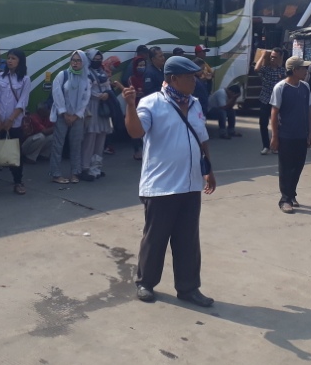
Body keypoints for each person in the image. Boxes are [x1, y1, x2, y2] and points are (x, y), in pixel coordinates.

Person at [123, 55, 216, 307]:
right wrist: (130, 106)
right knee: (156, 238)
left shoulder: (194, 103)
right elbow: (135, 131)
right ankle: (145, 283)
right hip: (161, 186)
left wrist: (208, 169)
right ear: (174, 79)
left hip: (191, 183)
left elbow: (202, 137)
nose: (195, 81)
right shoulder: (151, 103)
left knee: (188, 240)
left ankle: (188, 288)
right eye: (190, 77)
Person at [270, 57, 311, 213]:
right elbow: (274, 113)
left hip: (301, 134)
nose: (306, 71)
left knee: (298, 166)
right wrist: (275, 136)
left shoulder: (305, 87)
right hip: (286, 135)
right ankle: (285, 199)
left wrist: (310, 132)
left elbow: (308, 110)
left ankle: (291, 193)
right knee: (286, 168)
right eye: (303, 68)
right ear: (295, 70)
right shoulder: (280, 87)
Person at [0, 48, 32, 195]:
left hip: (14, 124)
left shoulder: (25, 79)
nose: (10, 61)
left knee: (15, 154)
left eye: (13, 58)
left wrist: (10, 120)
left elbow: (22, 102)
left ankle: (18, 182)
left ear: (20, 61)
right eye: (8, 58)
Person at [49, 49, 91, 184]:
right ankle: (56, 174)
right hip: (62, 115)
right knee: (58, 145)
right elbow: (57, 94)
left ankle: (75, 173)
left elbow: (85, 99)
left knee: (76, 145)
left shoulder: (86, 79)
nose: (75, 63)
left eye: (79, 61)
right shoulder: (63, 75)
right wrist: (64, 113)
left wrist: (76, 115)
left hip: (77, 117)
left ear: (83, 62)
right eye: (73, 60)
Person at [80, 49, 115, 181]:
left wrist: (107, 94)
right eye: (95, 59)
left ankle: (96, 168)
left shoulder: (103, 72)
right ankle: (85, 167)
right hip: (92, 107)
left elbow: (108, 87)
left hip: (103, 108)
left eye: (99, 59)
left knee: (101, 139)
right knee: (90, 138)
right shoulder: (85, 73)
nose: (98, 61)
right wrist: (100, 95)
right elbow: (86, 91)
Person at [254, 47, 287, 154]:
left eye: (275, 57)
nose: (272, 59)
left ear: (280, 58)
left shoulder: (283, 71)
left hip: (277, 102)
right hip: (265, 99)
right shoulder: (266, 69)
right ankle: (266, 146)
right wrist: (263, 56)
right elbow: (256, 69)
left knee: (278, 124)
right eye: (271, 57)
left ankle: (275, 145)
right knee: (263, 123)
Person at [21, 99, 55, 164]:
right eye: (48, 109)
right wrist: (57, 127)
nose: (50, 111)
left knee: (53, 136)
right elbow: (45, 131)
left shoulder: (47, 118)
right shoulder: (33, 117)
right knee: (41, 136)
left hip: (34, 144)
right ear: (41, 111)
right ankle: (29, 157)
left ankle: (43, 155)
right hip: (25, 146)